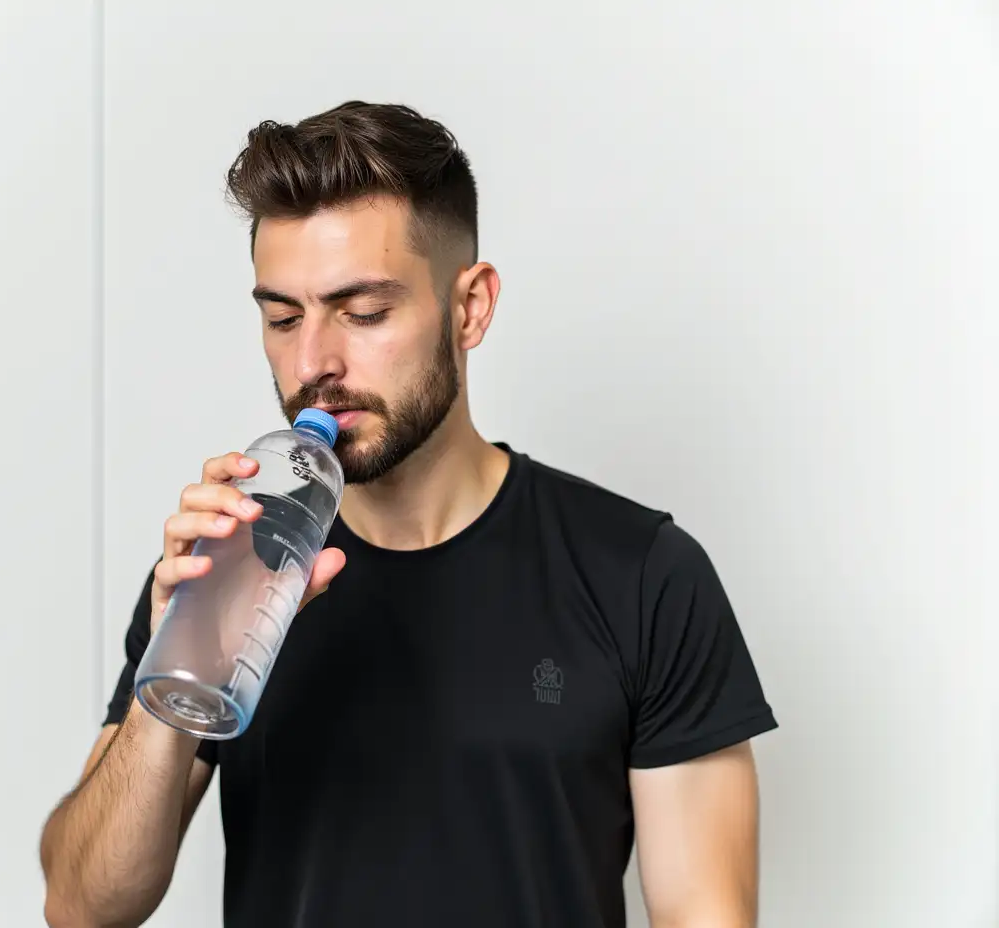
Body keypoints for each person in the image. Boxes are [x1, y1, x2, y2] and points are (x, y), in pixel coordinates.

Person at [39, 100, 778, 928]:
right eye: (283, 317)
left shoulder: (641, 574)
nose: (314, 362)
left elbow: (705, 915)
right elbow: (81, 906)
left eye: (363, 313)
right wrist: (167, 686)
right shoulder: (231, 566)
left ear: (470, 309)